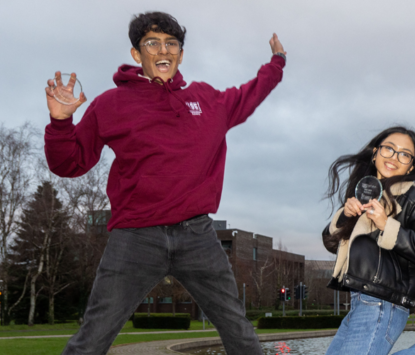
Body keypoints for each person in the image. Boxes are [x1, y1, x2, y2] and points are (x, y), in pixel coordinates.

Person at [44, 12, 286, 355]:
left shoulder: (207, 100)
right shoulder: (110, 105)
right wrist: (59, 123)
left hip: (198, 237)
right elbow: (69, 163)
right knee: (93, 337)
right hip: (135, 238)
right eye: (152, 43)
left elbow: (252, 92)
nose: (163, 50)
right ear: (136, 53)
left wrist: (277, 63)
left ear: (181, 54)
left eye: (171, 44)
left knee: (239, 331)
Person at [321, 127, 415, 355]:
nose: (394, 157)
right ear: (375, 153)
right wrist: (344, 215)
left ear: (411, 166)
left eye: (404, 154)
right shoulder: (362, 195)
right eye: (388, 149)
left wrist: (386, 225)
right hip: (359, 299)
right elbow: (331, 243)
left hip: (384, 302)